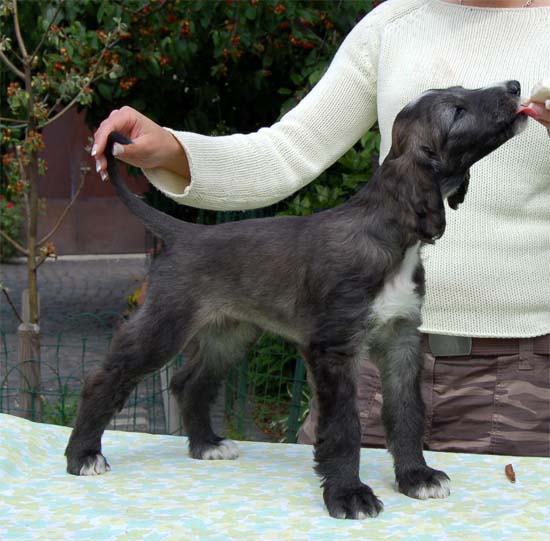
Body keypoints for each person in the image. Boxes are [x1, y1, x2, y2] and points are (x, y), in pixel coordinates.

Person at [92, 0, 550, 457]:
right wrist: (172, 149)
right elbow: (289, 150)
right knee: (341, 498)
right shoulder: (393, 24)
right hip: (363, 367)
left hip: (520, 379)